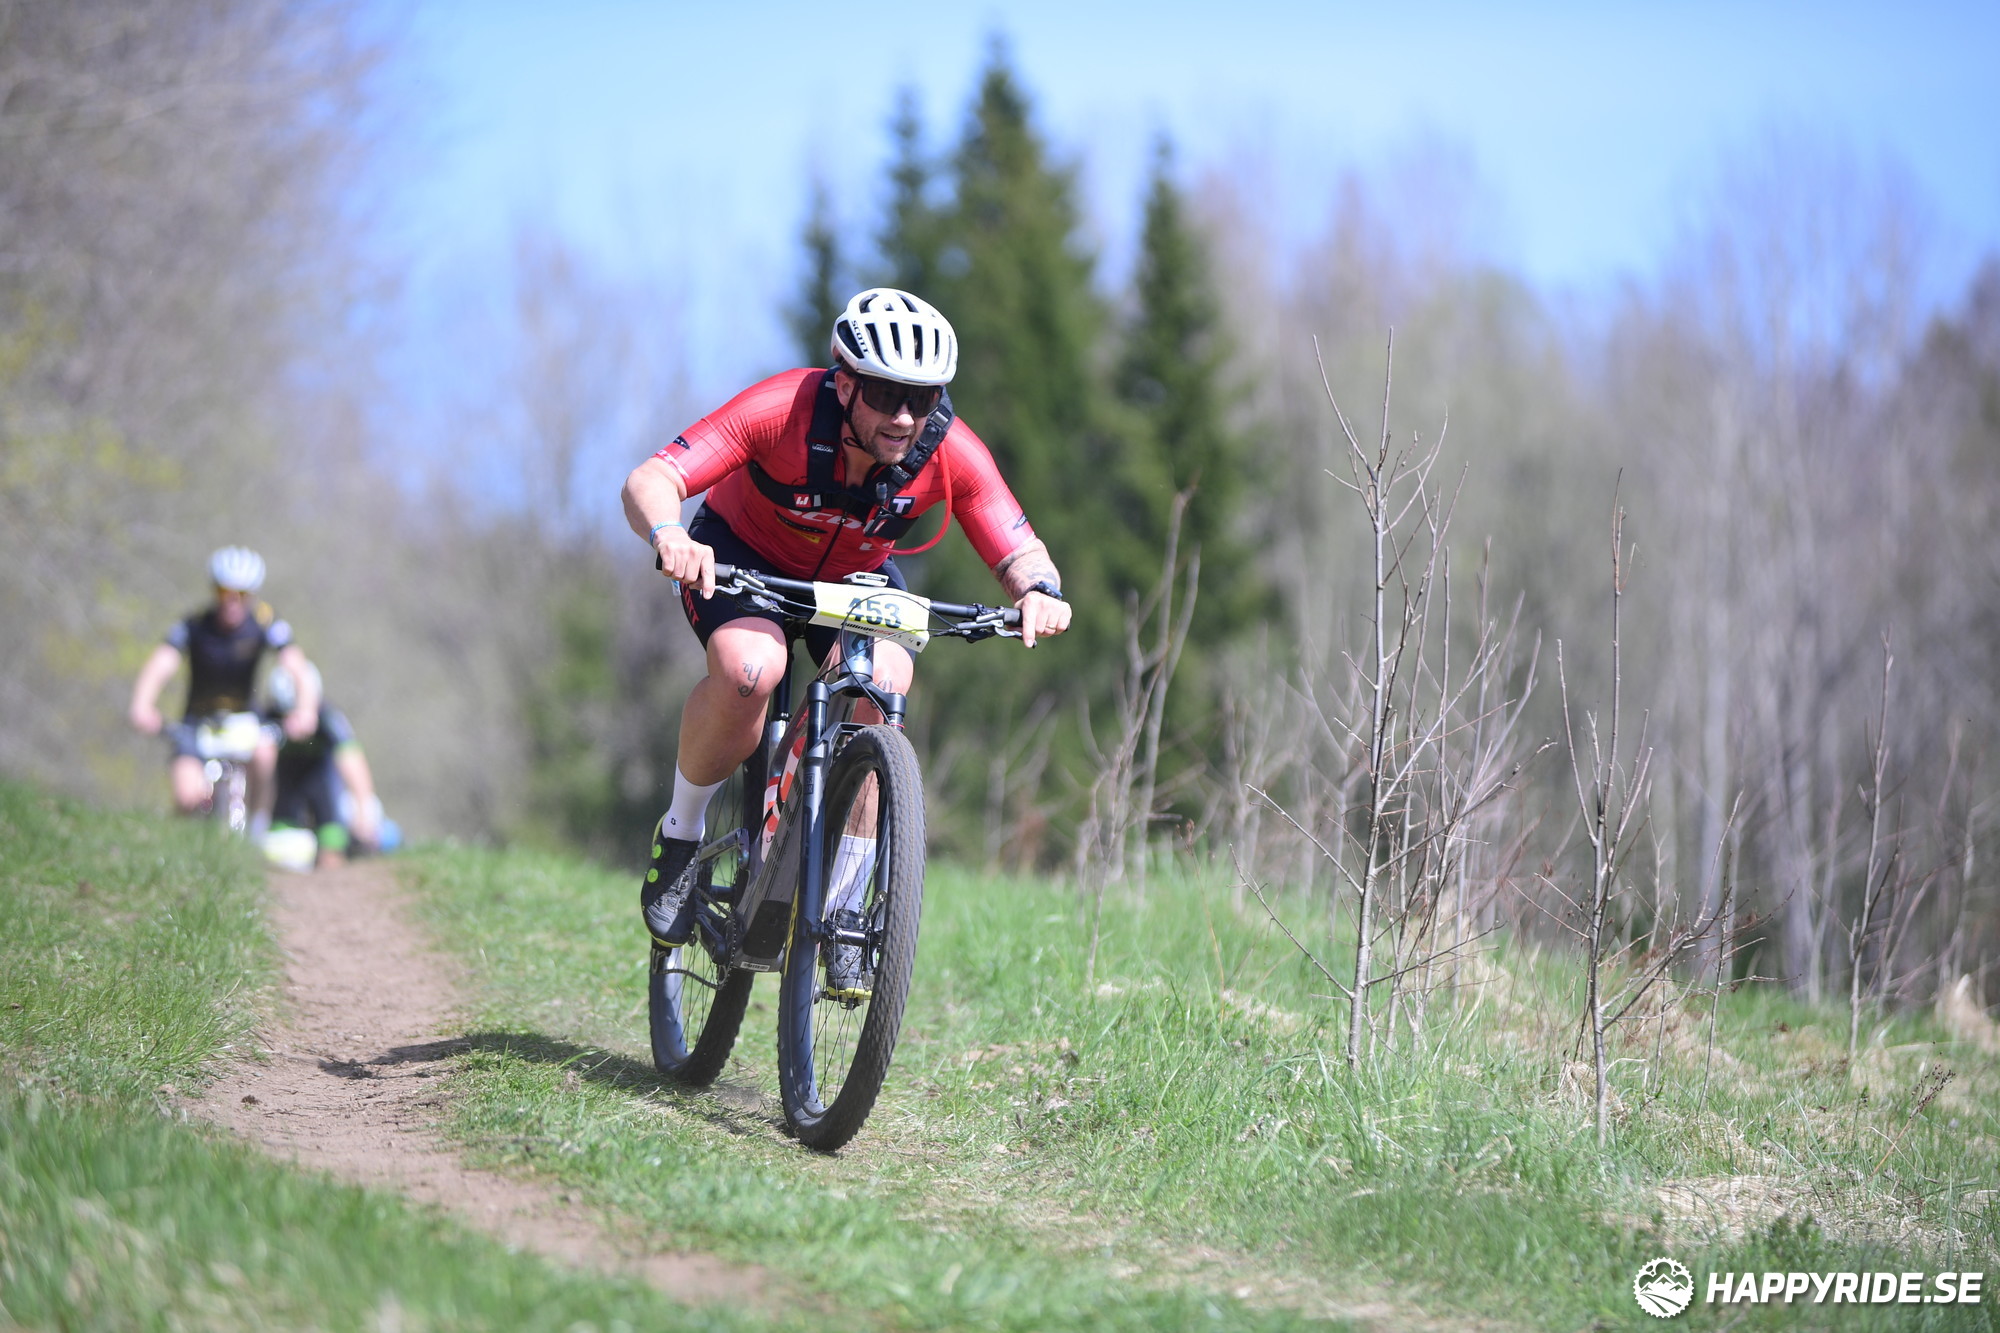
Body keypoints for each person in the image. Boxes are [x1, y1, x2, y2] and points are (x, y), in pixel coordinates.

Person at [620, 287, 1072, 946]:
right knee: (752, 669)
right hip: (744, 554)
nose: (904, 417)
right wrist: (670, 533)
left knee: (882, 683)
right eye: (887, 395)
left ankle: (847, 906)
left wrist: (1039, 591)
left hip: (854, 578)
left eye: (923, 398)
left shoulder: (946, 448)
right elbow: (651, 479)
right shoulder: (783, 409)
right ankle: (682, 835)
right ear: (846, 382)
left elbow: (1020, 546)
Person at [127, 546, 320, 837]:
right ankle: (184, 844)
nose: (232, 602)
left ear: (252, 595)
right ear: (214, 591)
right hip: (197, 722)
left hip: (245, 720)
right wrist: (142, 704)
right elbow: (161, 664)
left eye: (241, 594)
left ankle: (257, 830)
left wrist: (306, 710)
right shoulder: (194, 625)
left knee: (265, 752)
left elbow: (297, 668)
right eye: (223, 592)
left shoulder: (266, 623)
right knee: (187, 796)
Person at [263, 662, 386, 868]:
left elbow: (351, 758)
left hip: (324, 794)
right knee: (284, 858)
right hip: (284, 801)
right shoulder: (267, 717)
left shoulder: (328, 716)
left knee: (331, 853)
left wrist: (363, 810)